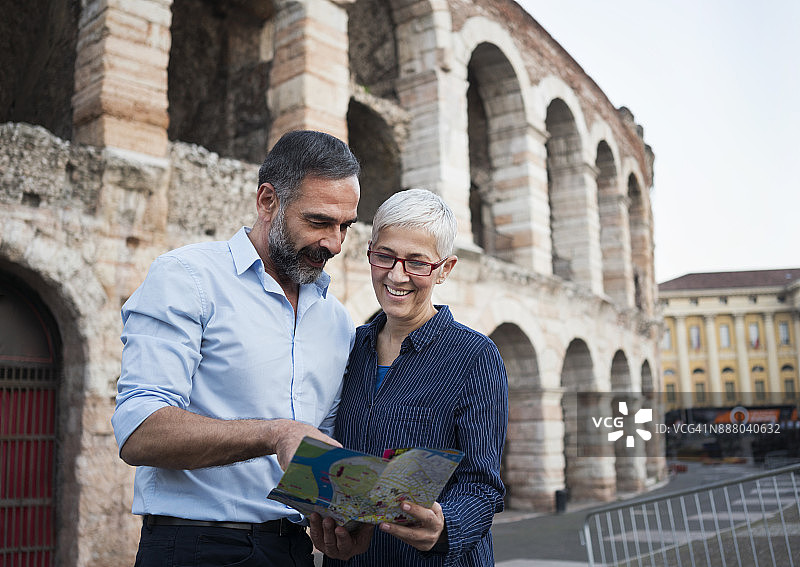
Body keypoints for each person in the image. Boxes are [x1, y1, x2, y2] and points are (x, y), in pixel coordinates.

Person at [112, 130, 372, 566]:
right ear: (268, 201)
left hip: (293, 551)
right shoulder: (187, 278)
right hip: (194, 548)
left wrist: (344, 522)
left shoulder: (337, 320)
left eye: (344, 226)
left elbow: (318, 448)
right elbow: (139, 431)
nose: (334, 244)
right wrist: (276, 433)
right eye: (318, 222)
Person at [309, 189, 509, 566]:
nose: (396, 275)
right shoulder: (348, 348)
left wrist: (446, 527)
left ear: (445, 269)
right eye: (384, 256)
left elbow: (482, 485)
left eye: (417, 263)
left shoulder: (475, 357)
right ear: (369, 251)